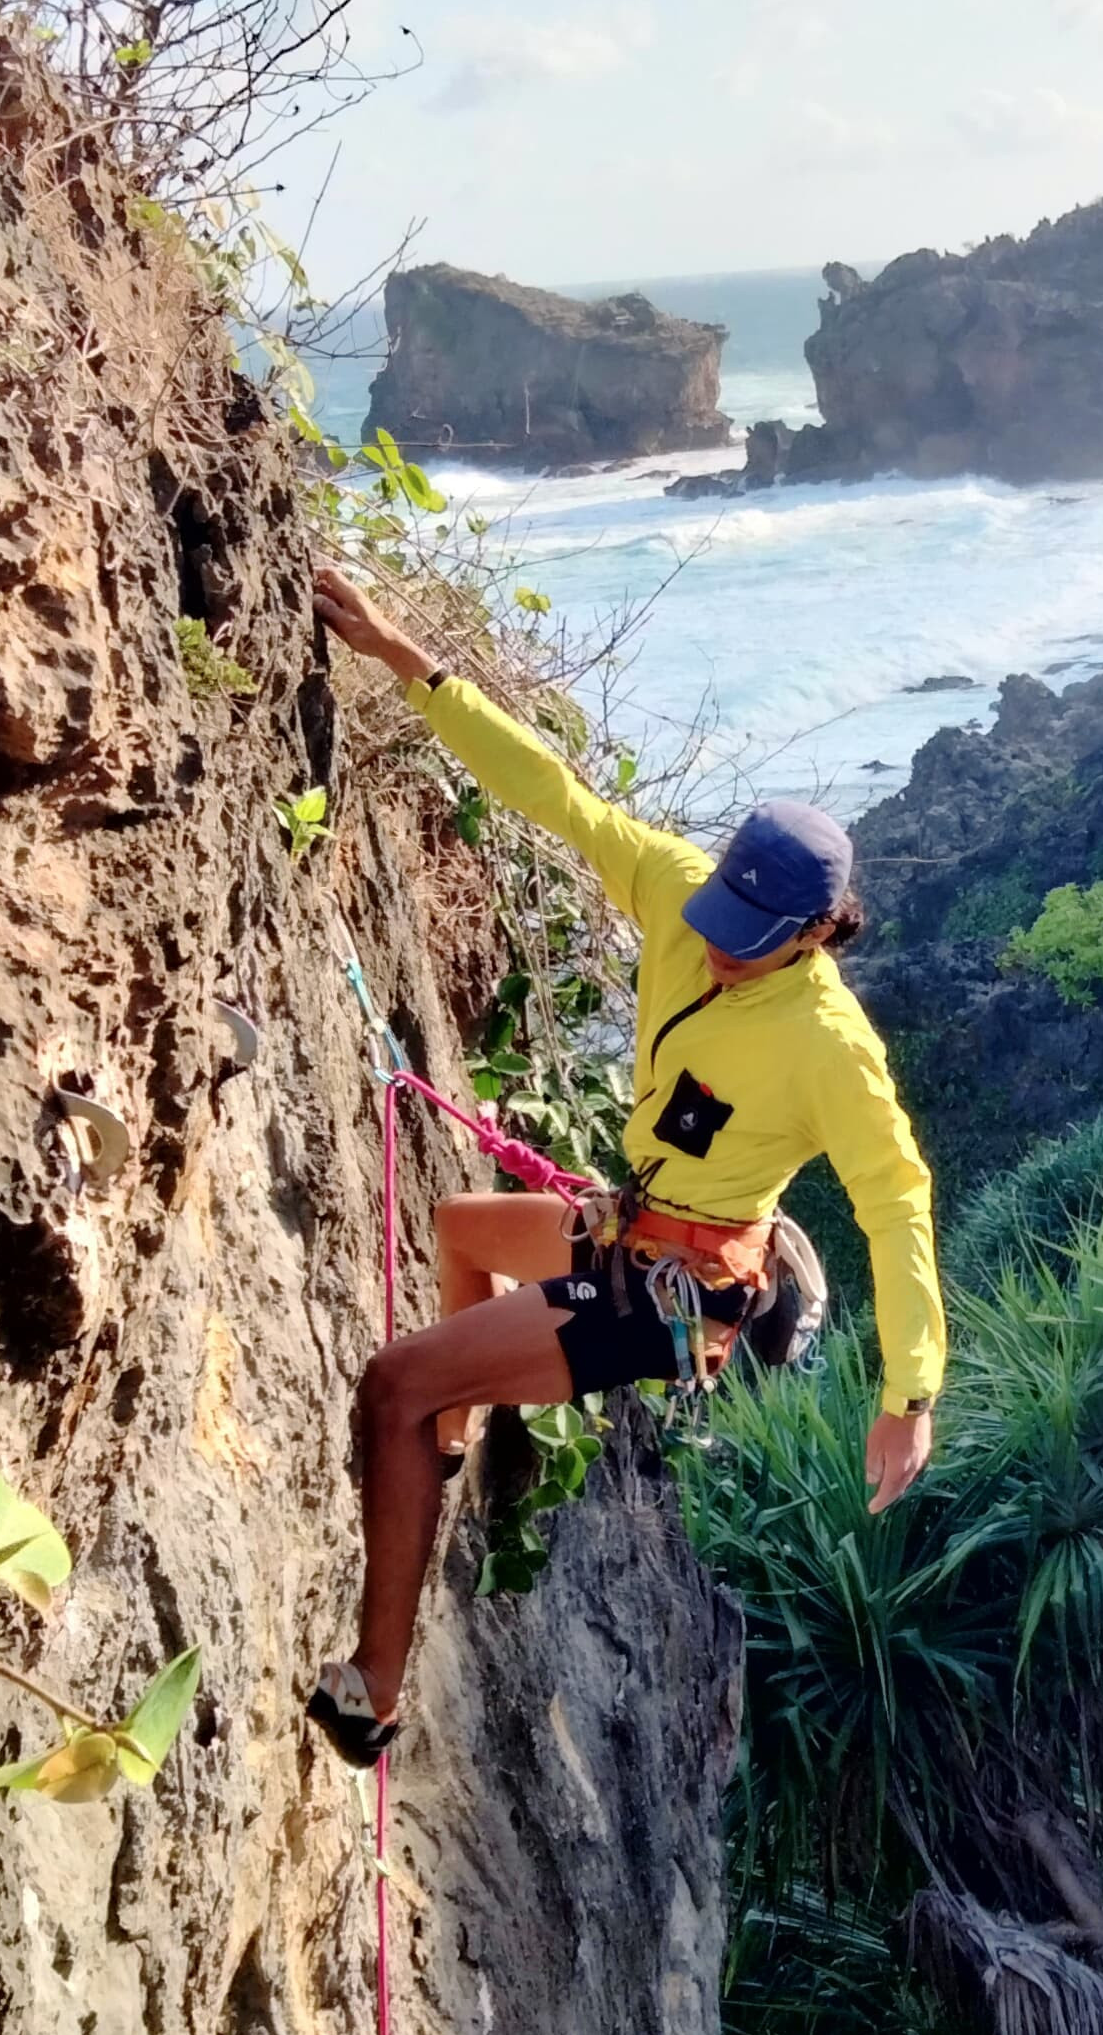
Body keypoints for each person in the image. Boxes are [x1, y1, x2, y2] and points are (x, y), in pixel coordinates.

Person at [304, 563, 946, 1768]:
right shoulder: (675, 891)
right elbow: (551, 792)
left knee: (390, 1382)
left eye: (751, 946)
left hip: (671, 1297)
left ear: (814, 932)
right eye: (716, 922)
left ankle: (371, 1694)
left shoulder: (829, 1045)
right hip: (625, 1225)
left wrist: (907, 1395)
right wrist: (402, 655)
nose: (718, 953)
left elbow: (895, 1200)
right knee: (456, 1225)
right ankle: (448, 1435)